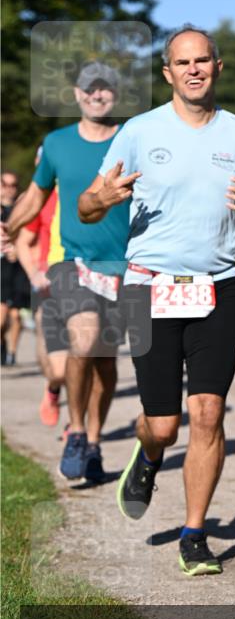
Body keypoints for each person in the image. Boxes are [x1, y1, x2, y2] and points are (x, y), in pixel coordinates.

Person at [78, 25, 235, 576]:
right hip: (148, 286)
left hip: (218, 287)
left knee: (208, 414)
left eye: (202, 60)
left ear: (218, 66)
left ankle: (195, 533)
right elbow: (87, 207)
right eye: (181, 62)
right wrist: (101, 198)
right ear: (167, 73)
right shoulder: (139, 133)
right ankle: (148, 454)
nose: (193, 69)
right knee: (163, 425)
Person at [4, 63, 129, 480]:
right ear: (77, 94)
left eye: (105, 89)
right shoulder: (56, 144)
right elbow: (36, 195)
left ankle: (94, 441)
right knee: (83, 340)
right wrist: (8, 227)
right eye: (90, 89)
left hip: (124, 266)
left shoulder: (134, 140)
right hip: (71, 261)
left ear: (115, 93)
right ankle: (75, 430)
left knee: (106, 363)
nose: (98, 95)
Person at [15, 149, 66, 427]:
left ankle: (79, 428)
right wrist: (34, 273)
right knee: (54, 365)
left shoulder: (86, 193)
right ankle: (53, 388)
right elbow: (23, 239)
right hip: (48, 285)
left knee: (89, 358)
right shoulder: (39, 199)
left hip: (89, 284)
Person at [1, 171, 31, 366]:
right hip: (1, 267)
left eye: (14, 185)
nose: (10, 189)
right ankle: (3, 344)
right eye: (6, 184)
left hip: (19, 267)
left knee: (15, 314)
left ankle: (11, 354)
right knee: (2, 316)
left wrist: (18, 250)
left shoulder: (23, 207)